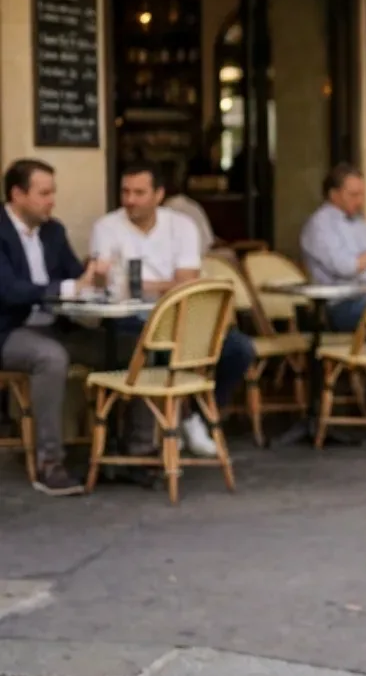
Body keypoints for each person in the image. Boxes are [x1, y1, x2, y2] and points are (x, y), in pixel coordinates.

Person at [90, 164, 254, 459]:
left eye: (139, 193)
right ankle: (171, 422)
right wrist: (102, 277)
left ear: (158, 195)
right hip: (129, 318)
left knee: (239, 349)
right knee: (151, 349)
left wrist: (138, 284)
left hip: (182, 315)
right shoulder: (107, 226)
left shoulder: (181, 226)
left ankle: (195, 417)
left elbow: (187, 281)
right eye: (125, 192)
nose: (130, 200)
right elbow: (104, 284)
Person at [0, 158, 108, 495]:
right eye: (44, 193)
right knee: (50, 357)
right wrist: (67, 287)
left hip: (55, 326)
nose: (52, 201)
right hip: (8, 331)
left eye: (53, 192)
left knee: (123, 345)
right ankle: (50, 464)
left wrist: (94, 279)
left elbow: (76, 277)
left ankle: (129, 450)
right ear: (17, 194)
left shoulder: (53, 231)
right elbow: (9, 291)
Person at [300, 165, 366, 331]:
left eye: (362, 195)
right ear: (334, 194)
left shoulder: (359, 223)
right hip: (343, 305)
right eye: (354, 195)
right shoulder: (320, 225)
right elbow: (346, 267)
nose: (360, 201)